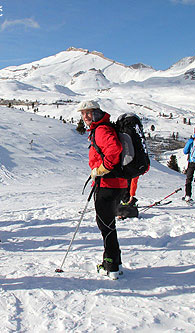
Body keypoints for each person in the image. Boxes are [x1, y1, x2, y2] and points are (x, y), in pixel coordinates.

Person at [79, 100, 127, 280]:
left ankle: (111, 265)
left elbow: (115, 148)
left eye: (89, 113)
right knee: (108, 224)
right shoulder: (102, 128)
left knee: (105, 225)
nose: (86, 116)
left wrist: (102, 169)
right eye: (83, 113)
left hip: (108, 183)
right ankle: (116, 262)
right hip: (115, 183)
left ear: (97, 113)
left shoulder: (101, 130)